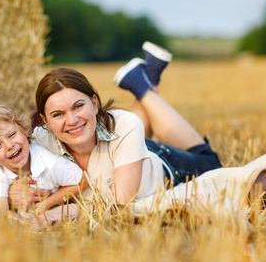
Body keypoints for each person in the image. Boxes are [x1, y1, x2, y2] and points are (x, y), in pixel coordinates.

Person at [22, 41, 222, 205]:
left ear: (94, 102)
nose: (72, 120)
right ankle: (146, 79)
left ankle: (140, 85)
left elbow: (121, 205)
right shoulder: (37, 145)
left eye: (78, 106)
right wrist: (14, 189)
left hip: (162, 166)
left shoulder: (124, 124)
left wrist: (71, 212)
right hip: (125, 149)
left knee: (211, 164)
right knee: (129, 130)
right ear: (44, 120)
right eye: (57, 114)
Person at [0, 104, 89, 222]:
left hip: (16, 193)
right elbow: (0, 211)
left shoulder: (48, 163)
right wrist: (26, 223)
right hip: (1, 190)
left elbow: (82, 180)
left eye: (12, 135)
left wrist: (47, 203)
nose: (9, 145)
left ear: (24, 130)